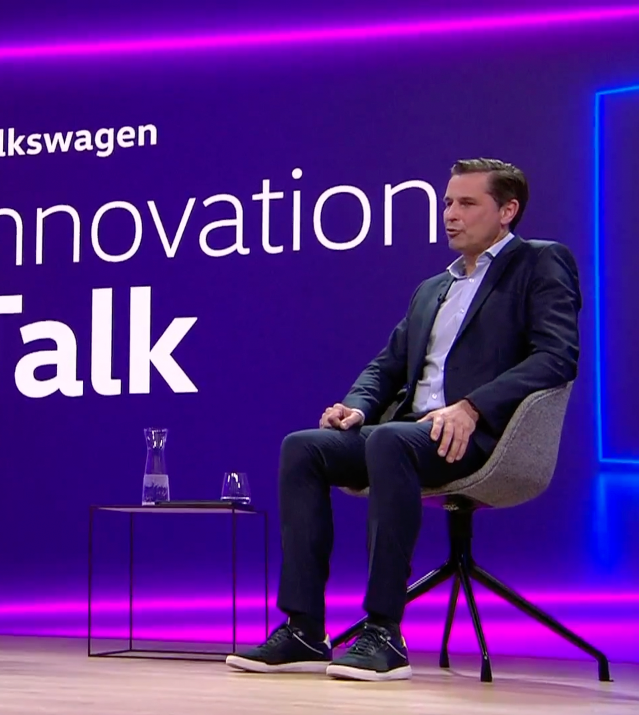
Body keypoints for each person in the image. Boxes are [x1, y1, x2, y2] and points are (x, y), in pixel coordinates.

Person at [226, 158, 581, 681]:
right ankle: (303, 629)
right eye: (447, 202)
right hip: (410, 433)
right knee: (304, 446)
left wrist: (474, 405)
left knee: (391, 441)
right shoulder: (432, 288)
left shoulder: (540, 263)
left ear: (507, 211)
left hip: (483, 434)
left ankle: (383, 633)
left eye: (467, 203)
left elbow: (556, 356)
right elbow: (387, 366)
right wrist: (356, 407)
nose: (450, 214)